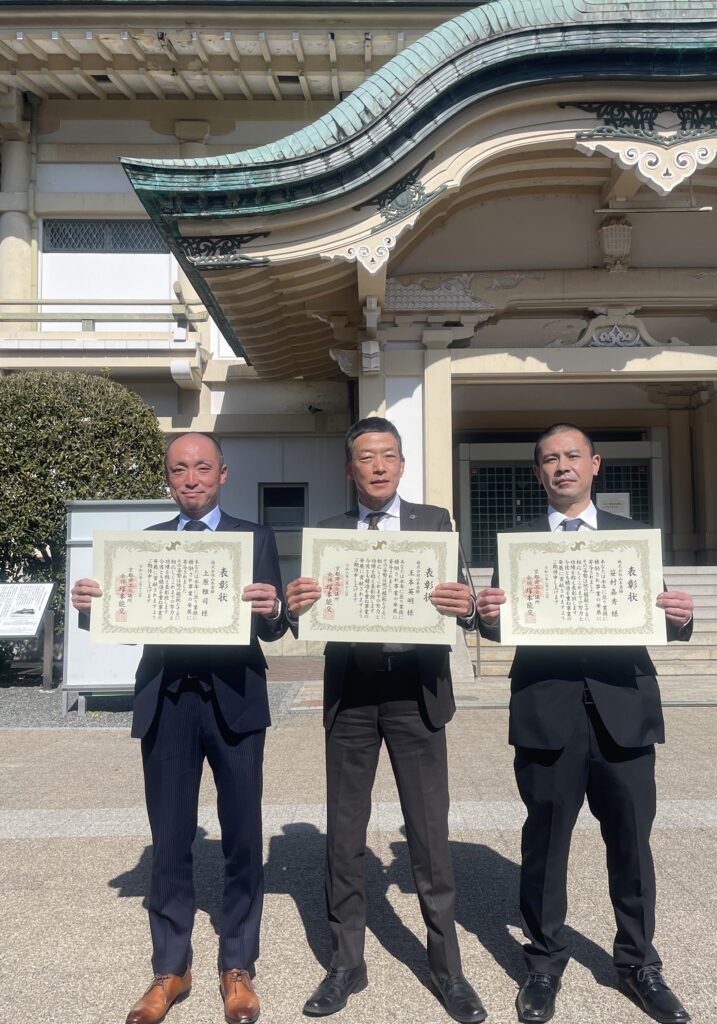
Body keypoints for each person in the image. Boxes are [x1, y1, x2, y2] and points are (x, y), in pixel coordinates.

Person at [475, 423, 693, 1024]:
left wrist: (680, 616)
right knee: (545, 842)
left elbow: (659, 616)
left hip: (624, 709)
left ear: (596, 464)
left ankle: (639, 962)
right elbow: (499, 625)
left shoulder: (631, 539)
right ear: (538, 472)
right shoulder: (519, 542)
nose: (562, 466)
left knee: (631, 842)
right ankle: (543, 962)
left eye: (573, 456)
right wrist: (486, 617)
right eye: (550, 459)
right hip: (547, 710)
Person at [71, 432, 288, 1024]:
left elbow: (273, 627)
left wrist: (274, 609)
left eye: (202, 468)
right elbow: (126, 623)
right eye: (179, 470)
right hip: (166, 702)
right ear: (167, 479)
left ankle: (237, 964)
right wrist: (93, 607)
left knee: (243, 836)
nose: (191, 479)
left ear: (223, 473)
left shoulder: (255, 537)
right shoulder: (146, 546)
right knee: (169, 839)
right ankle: (171, 967)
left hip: (235, 701)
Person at [286, 416, 486, 1024]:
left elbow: (466, 601)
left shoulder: (434, 522)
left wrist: (467, 606)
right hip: (351, 692)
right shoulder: (327, 532)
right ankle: (346, 963)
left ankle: (447, 968)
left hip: (415, 692)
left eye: (388, 455)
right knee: (344, 834)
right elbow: (302, 613)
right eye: (366, 456)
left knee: (428, 834)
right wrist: (295, 607)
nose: (378, 466)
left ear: (402, 464)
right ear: (349, 467)